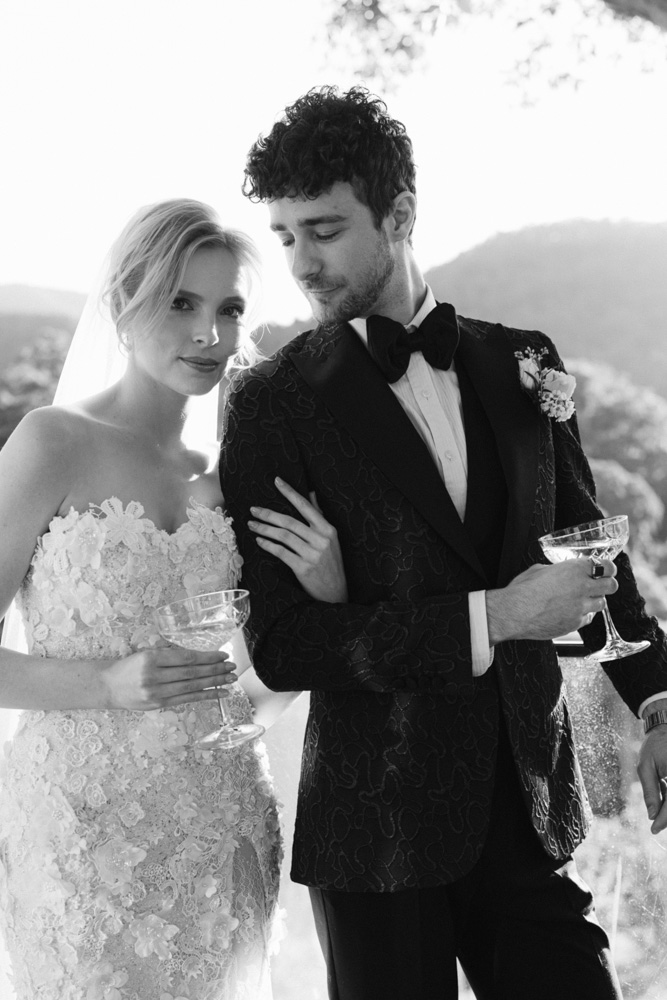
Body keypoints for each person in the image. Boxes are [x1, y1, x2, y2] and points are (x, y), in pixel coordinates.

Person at [218, 86, 667, 1000]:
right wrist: (496, 614)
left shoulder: (521, 362)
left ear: (401, 213)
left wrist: (657, 698)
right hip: (375, 834)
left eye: (325, 229)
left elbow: (593, 551)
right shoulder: (272, 403)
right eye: (286, 234)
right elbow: (285, 642)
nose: (301, 260)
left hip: (528, 808)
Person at [0, 198, 344, 1000]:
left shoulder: (232, 478)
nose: (210, 335)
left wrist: (326, 600)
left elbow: (260, 687)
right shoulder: (53, 443)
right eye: (181, 303)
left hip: (224, 822)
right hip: (83, 833)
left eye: (228, 309)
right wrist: (104, 685)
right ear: (123, 303)